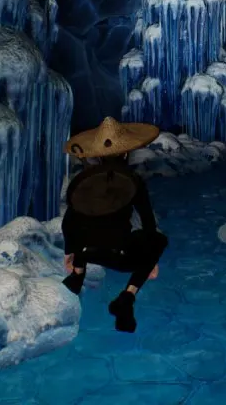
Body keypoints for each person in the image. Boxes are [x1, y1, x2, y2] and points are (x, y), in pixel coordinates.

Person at [60, 117, 169, 333]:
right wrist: (150, 260)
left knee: (88, 234)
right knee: (158, 239)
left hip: (88, 253)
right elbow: (147, 221)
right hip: (122, 254)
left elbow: (69, 222)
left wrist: (69, 253)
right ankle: (128, 295)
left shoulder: (85, 181)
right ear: (126, 153)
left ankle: (77, 275)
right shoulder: (132, 180)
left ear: (99, 155)